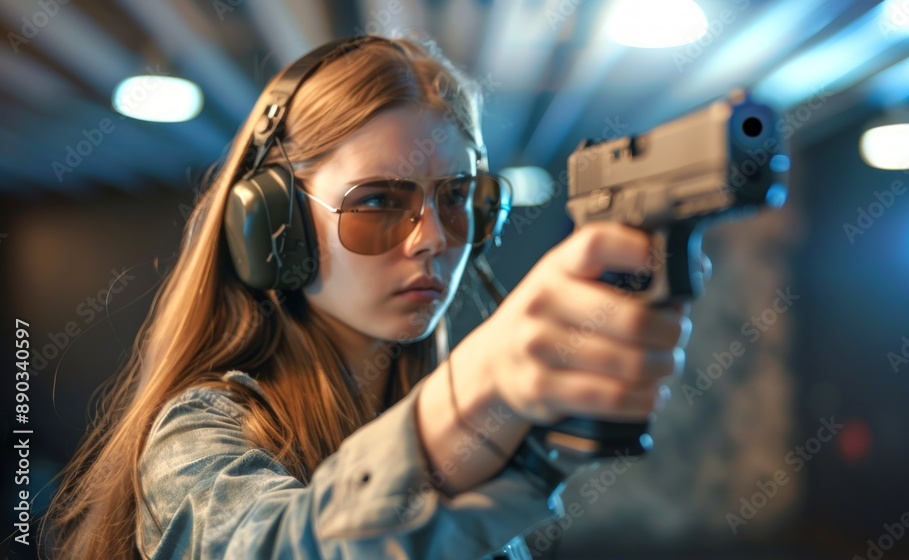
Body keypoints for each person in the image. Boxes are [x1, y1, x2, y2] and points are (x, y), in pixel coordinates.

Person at [42, 34, 691, 559]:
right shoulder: (203, 430)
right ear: (276, 226)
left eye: (455, 198)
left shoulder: (439, 424)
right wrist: (474, 394)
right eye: (379, 201)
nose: (433, 238)